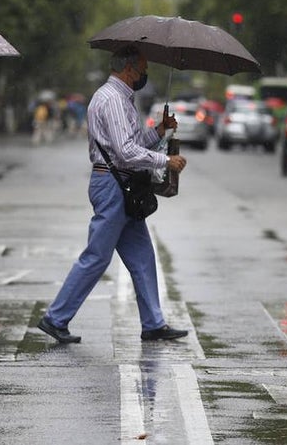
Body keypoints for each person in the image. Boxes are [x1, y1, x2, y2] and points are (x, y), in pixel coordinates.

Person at [37, 45, 189, 344]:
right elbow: (126, 152)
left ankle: (153, 323)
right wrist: (165, 160)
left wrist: (160, 130)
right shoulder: (113, 100)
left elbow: (131, 142)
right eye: (143, 68)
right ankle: (55, 318)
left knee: (143, 256)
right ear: (129, 69)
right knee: (96, 256)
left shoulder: (121, 98)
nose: (145, 73)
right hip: (113, 186)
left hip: (122, 185)